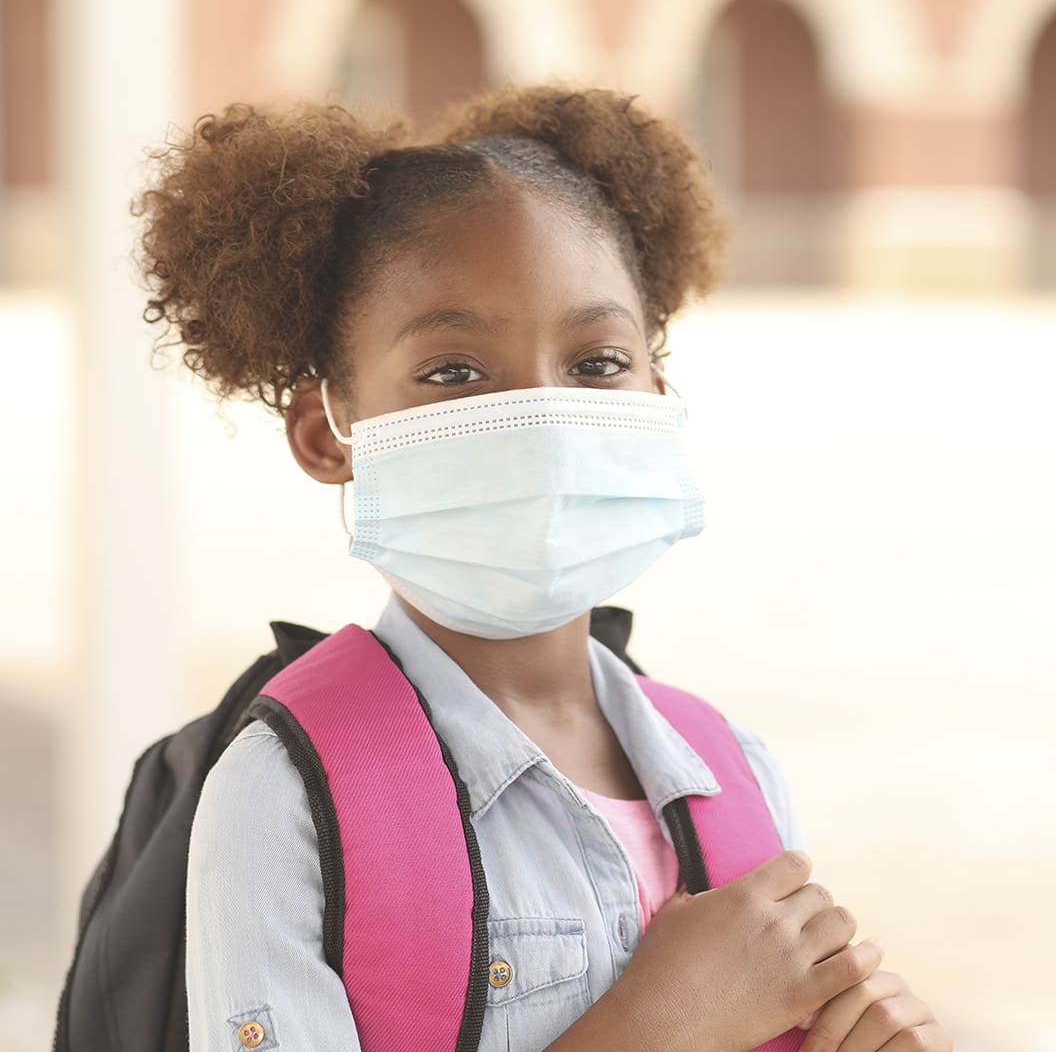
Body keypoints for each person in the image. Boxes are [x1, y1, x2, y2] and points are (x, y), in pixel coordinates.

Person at [137, 86, 951, 1052]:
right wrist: (655, 1027)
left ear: (659, 391)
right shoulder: (286, 795)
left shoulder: (734, 773)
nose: (543, 419)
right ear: (327, 434)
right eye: (454, 371)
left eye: (598, 362)